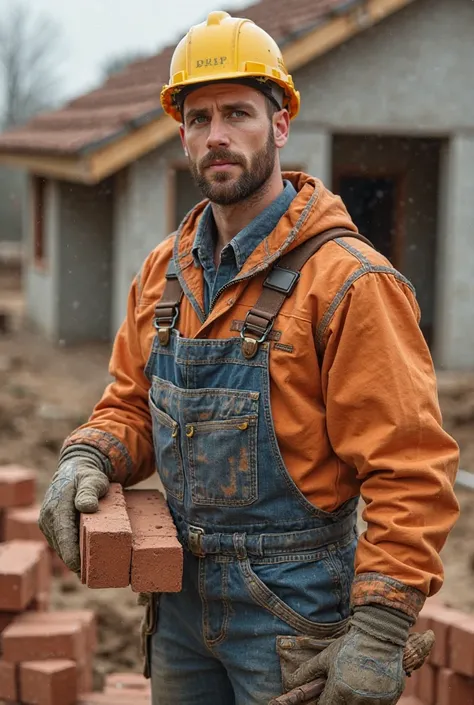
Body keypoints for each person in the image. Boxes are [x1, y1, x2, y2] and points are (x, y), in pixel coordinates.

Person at [39, 10, 460, 705]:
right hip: (178, 600)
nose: (218, 136)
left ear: (281, 125)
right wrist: (88, 455)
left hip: (296, 610)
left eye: (238, 113)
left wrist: (381, 627)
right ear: (182, 133)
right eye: (199, 118)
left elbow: (409, 464)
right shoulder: (163, 274)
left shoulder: (349, 282)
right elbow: (131, 405)